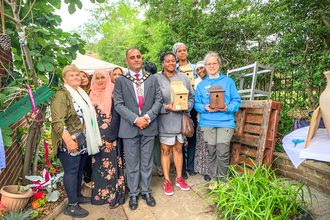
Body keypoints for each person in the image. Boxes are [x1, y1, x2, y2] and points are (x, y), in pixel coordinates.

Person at [113, 48, 162, 210]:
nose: (136, 59)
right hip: (129, 127)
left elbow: (158, 100)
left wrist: (147, 118)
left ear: (142, 59)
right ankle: (133, 193)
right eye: (132, 57)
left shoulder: (152, 79)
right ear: (127, 61)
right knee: (132, 163)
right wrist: (136, 119)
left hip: (148, 126)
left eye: (138, 57)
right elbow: (118, 104)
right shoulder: (121, 80)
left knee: (147, 162)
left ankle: (146, 191)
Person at [51, 64, 102, 218]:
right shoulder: (61, 95)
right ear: (65, 78)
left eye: (77, 75)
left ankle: (78, 197)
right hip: (70, 141)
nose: (76, 77)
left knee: (79, 169)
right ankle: (71, 206)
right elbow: (57, 121)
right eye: (71, 75)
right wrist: (68, 141)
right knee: (72, 171)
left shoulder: (79, 92)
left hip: (81, 139)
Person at [195, 52, 241, 188]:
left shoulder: (228, 82)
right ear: (205, 66)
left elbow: (237, 101)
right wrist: (205, 107)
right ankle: (215, 179)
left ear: (219, 65)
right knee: (211, 152)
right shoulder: (201, 85)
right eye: (209, 64)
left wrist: (227, 107)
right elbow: (196, 104)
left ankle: (224, 180)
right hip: (207, 123)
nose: (211, 66)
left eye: (214, 63)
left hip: (225, 122)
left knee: (222, 152)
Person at [155, 52, 195, 196]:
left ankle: (179, 178)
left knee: (178, 150)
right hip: (165, 120)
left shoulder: (184, 77)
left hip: (180, 121)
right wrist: (166, 107)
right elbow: (153, 102)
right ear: (163, 63)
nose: (171, 63)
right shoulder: (156, 79)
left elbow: (191, 96)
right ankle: (167, 181)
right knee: (165, 150)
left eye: (173, 61)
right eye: (168, 61)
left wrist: (187, 106)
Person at [89, 68, 125, 208]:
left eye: (102, 77)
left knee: (112, 166)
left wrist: (110, 138)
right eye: (97, 78)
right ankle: (100, 196)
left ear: (107, 78)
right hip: (95, 135)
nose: (100, 80)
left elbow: (116, 117)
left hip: (110, 135)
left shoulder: (113, 92)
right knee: (98, 165)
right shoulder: (90, 94)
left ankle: (115, 196)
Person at [173, 42, 197, 179]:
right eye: (180, 51)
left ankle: (191, 166)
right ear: (176, 54)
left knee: (191, 135)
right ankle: (180, 168)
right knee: (180, 137)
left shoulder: (194, 67)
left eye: (184, 50)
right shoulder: (173, 68)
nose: (183, 53)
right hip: (179, 105)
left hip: (192, 104)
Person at [143, 62, 163, 177]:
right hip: (158, 114)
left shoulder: (145, 80)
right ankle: (159, 166)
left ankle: (147, 169)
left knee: (147, 144)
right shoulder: (159, 78)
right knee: (156, 143)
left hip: (145, 117)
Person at [193, 61, 211, 181]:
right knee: (203, 145)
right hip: (202, 117)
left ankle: (213, 169)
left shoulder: (214, 79)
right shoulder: (197, 82)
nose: (200, 71)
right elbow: (196, 101)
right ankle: (205, 170)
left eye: (201, 68)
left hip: (216, 118)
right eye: (197, 70)